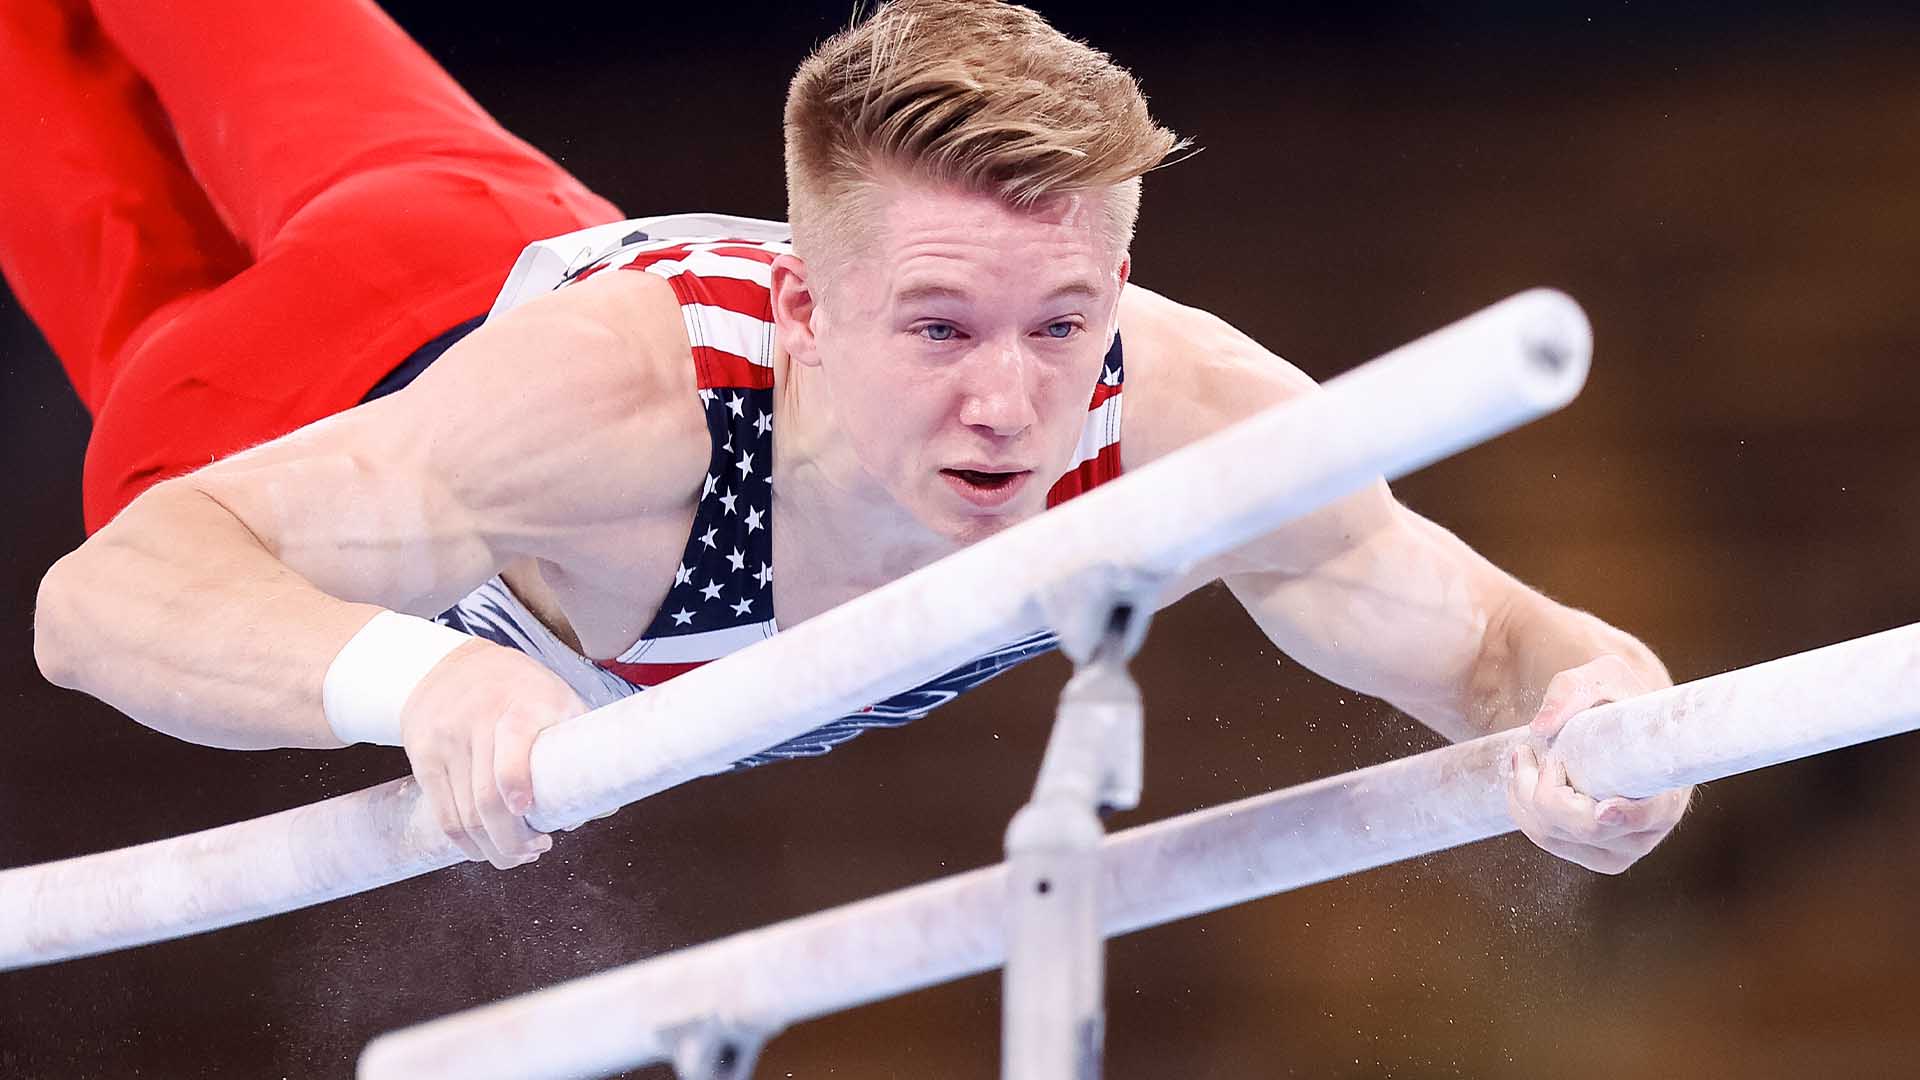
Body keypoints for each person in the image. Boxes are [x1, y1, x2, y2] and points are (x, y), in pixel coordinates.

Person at [20, 0, 1691, 874]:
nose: (1011, 401)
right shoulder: (625, 419)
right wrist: (422, 683)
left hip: (473, 211)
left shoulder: (1180, 416)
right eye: (941, 328)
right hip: (270, 399)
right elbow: (97, 605)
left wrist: (1599, 703)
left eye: (1062, 323)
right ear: (801, 311)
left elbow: (1484, 638)